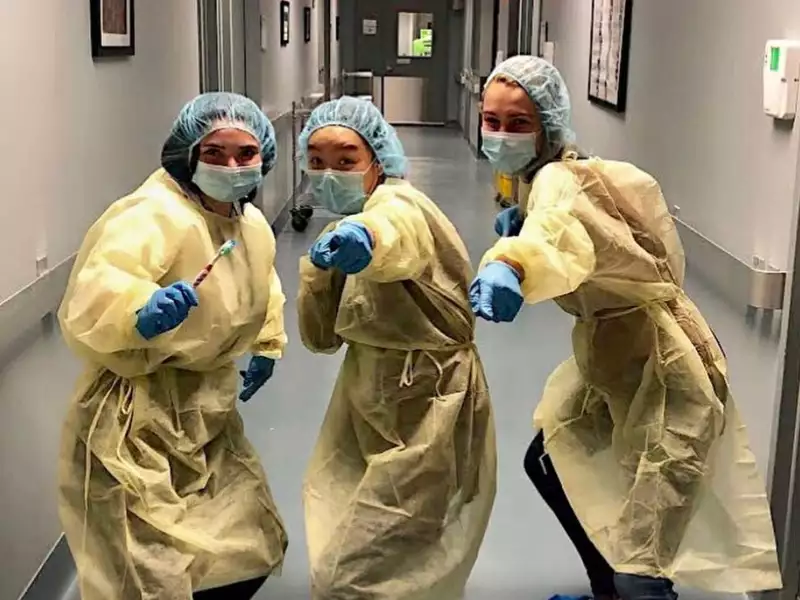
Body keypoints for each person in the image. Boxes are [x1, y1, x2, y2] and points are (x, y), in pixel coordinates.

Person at [471, 55, 783, 600]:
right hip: (616, 360)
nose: (501, 135)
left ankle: (629, 589)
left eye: (519, 123)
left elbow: (555, 234)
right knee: (549, 459)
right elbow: (579, 232)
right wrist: (522, 222)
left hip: (666, 380)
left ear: (547, 124)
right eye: (491, 120)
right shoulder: (555, 172)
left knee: (643, 563)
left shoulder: (556, 180)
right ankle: (606, 591)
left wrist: (513, 264)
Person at [58, 92, 288, 600]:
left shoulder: (247, 224)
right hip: (135, 421)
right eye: (215, 153)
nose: (232, 166)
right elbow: (100, 284)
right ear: (188, 155)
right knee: (154, 578)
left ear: (264, 157)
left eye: (246, 154)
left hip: (207, 416)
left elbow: (261, 281)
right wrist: (138, 311)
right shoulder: (151, 213)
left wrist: (268, 342)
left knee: (245, 550)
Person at [296, 96, 497, 599]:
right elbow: (321, 339)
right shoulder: (342, 228)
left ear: (377, 160)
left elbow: (396, 238)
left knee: (357, 570)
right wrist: (320, 273)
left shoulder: (395, 207)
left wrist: (367, 238)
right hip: (369, 395)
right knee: (370, 540)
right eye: (316, 162)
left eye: (346, 160)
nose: (329, 174)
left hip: (427, 400)